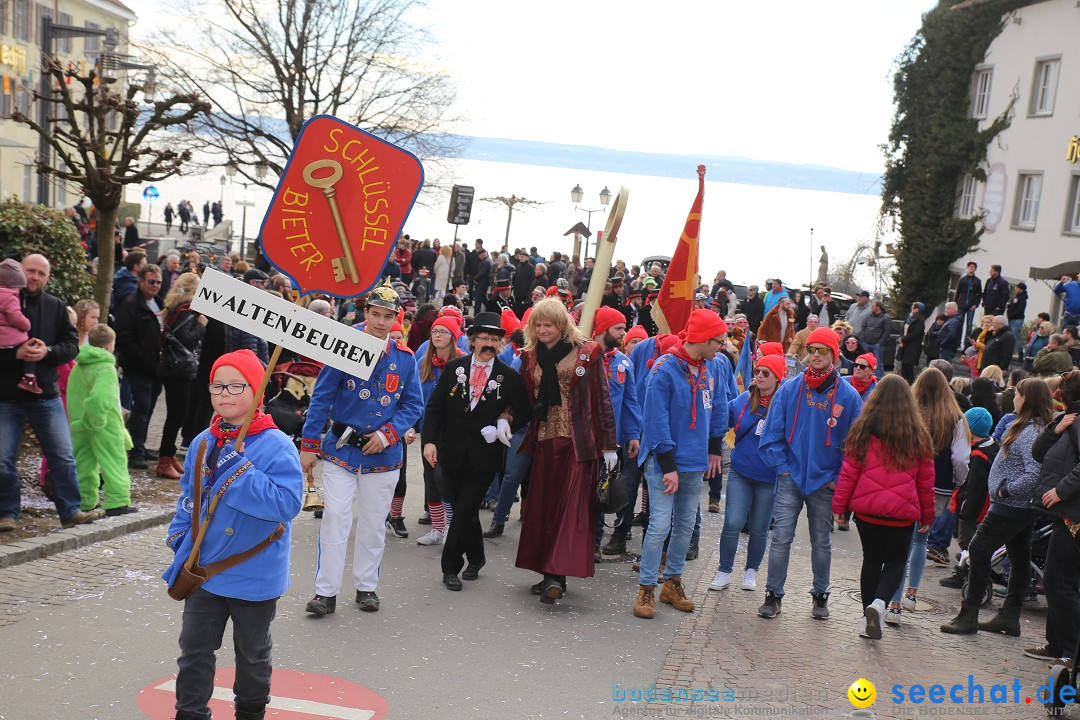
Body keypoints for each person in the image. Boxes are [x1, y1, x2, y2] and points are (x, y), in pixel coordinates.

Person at [163, 349, 302, 720]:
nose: (224, 394)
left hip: (254, 571)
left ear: (256, 390)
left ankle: (251, 712)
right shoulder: (203, 441)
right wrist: (180, 533)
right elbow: (189, 497)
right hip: (205, 568)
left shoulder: (277, 445)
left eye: (236, 385)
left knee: (252, 654)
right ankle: (189, 713)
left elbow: (287, 504)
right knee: (194, 650)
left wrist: (240, 471)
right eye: (217, 386)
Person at [301, 283, 424, 616]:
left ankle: (366, 587)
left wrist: (388, 434)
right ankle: (325, 592)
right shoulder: (344, 349)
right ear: (365, 314)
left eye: (388, 316)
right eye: (375, 314)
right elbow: (321, 398)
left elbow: (413, 404)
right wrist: (309, 444)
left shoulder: (404, 358)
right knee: (336, 518)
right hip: (341, 450)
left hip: (383, 456)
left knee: (372, 523)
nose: (381, 322)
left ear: (396, 318)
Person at [515, 297, 617, 604]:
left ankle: (555, 576)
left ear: (563, 325)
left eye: (550, 324)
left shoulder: (588, 352)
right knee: (543, 507)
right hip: (545, 440)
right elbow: (523, 399)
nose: (544, 330)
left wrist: (609, 446)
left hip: (578, 443)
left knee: (568, 508)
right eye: (538, 325)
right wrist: (505, 418)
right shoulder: (530, 357)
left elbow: (601, 399)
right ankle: (548, 571)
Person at [757, 326, 863, 620]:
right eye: (812, 349)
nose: (815, 355)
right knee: (780, 538)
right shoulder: (790, 389)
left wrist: (837, 480)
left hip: (824, 483)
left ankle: (820, 595)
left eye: (823, 350)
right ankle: (773, 594)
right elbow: (771, 436)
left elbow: (858, 447)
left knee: (821, 541)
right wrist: (783, 470)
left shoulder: (850, 397)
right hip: (791, 478)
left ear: (834, 355)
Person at [422, 312, 530, 591]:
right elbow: (434, 408)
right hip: (452, 453)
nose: (489, 343)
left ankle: (450, 567)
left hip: (485, 456)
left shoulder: (508, 376)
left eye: (495, 338)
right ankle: (478, 557)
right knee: (463, 509)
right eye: (483, 337)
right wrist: (430, 441)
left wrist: (505, 421)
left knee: (463, 511)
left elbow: (526, 410)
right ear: (471, 340)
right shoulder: (453, 368)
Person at [634, 310, 729, 619]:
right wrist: (668, 465)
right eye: (718, 340)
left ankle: (673, 582)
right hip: (666, 463)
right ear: (702, 338)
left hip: (694, 461)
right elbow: (656, 420)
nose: (722, 346)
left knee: (686, 525)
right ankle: (647, 586)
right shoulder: (663, 369)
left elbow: (718, 409)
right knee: (660, 525)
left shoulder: (712, 367)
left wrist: (715, 449)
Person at [941, 377, 1053, 635]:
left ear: (1028, 399)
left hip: (1012, 505)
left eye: (1018, 393)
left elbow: (1034, 472)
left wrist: (1007, 489)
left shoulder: (1031, 431)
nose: (1013, 397)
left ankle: (969, 615)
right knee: (1019, 556)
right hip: (1014, 505)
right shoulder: (1027, 426)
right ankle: (1010, 616)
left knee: (979, 550)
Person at [0, 254, 100, 533]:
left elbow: (71, 346)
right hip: (6, 396)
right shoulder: (1, 299)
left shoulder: (55, 306)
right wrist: (13, 354)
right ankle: (7, 512)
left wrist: (48, 352)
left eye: (41, 273)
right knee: (2, 460)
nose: (34, 277)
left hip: (46, 395)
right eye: (30, 271)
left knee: (63, 456)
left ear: (48, 276)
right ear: (20, 271)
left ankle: (71, 511)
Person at [832, 375, 935, 640]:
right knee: (896, 561)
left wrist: (840, 506)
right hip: (902, 513)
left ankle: (868, 614)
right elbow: (926, 481)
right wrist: (927, 514)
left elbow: (848, 473)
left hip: (867, 511)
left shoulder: (862, 430)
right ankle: (880, 603)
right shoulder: (918, 435)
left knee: (872, 559)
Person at [894, 368, 968, 625]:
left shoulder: (909, 413)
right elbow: (960, 458)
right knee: (920, 541)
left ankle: (894, 602)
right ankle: (911, 594)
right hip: (940, 485)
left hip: (907, 481)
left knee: (901, 542)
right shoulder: (955, 418)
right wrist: (958, 481)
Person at [709, 353, 786, 593]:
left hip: (768, 477)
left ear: (777, 378)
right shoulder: (743, 399)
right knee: (732, 523)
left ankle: (751, 571)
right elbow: (720, 418)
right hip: (741, 472)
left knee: (759, 528)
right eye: (758, 372)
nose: (760, 376)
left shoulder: (784, 404)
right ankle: (724, 571)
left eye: (766, 373)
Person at [1027, 369, 1080, 667]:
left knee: (1059, 581)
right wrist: (1054, 430)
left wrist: (1061, 490)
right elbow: (1039, 452)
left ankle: (1071, 651)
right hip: (1065, 513)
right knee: (1059, 580)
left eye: (1062, 389)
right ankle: (1057, 644)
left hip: (1073, 513)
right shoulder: (1067, 419)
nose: (1057, 394)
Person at [589, 307, 641, 558]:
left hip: (611, 444)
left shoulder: (624, 362)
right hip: (582, 440)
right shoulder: (583, 356)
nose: (624, 333)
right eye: (619, 328)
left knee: (601, 493)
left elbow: (631, 402)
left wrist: (633, 435)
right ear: (602, 329)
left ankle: (594, 545)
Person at [68, 324, 135, 515]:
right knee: (114, 462)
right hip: (104, 425)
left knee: (84, 464)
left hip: (79, 424)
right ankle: (117, 501)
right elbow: (100, 399)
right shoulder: (106, 367)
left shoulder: (78, 367)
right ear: (109, 345)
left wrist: (82, 422)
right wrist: (95, 421)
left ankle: (85, 500)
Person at [414, 316, 465, 545]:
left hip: (454, 433)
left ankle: (452, 525)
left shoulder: (464, 363)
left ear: (453, 337)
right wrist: (411, 427)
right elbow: (413, 397)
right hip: (429, 430)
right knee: (431, 480)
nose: (438, 336)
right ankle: (438, 528)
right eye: (435, 331)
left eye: (444, 332)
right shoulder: (424, 363)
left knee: (445, 478)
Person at [157, 273, 207, 480]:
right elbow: (186, 339)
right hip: (180, 369)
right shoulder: (188, 310)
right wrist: (201, 325)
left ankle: (168, 453)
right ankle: (165, 459)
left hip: (172, 368)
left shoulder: (173, 306)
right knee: (177, 415)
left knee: (176, 413)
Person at [115, 264, 165, 469]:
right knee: (141, 408)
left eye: (158, 282)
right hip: (139, 368)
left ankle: (141, 446)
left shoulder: (159, 303)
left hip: (156, 368)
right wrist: (141, 359)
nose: (155, 286)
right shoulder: (130, 304)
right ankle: (135, 450)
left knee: (149, 407)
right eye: (151, 281)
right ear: (141, 281)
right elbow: (124, 337)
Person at [0, 259, 40, 394]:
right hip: (9, 339)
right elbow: (14, 315)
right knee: (31, 348)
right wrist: (26, 324)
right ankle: (29, 378)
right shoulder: (10, 297)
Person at [861, 301, 891, 378]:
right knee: (865, 361)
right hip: (866, 342)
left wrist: (880, 342)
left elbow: (887, 331)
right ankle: (865, 377)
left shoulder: (886, 317)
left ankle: (879, 379)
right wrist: (863, 338)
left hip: (877, 344)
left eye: (873, 306)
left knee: (878, 363)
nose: (871, 307)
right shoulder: (869, 315)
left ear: (878, 307)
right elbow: (864, 326)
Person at [898, 302, 925, 383]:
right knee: (903, 366)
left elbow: (916, 333)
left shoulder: (920, 320)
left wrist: (903, 339)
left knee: (909, 367)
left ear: (918, 309)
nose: (912, 308)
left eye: (914, 307)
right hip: (904, 346)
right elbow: (903, 328)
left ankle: (909, 384)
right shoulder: (909, 317)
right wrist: (901, 337)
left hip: (912, 347)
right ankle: (903, 383)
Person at [955, 262, 983, 339]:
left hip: (971, 306)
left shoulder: (977, 281)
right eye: (970, 266)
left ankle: (966, 343)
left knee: (969, 325)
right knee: (959, 323)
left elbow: (980, 294)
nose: (971, 268)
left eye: (973, 267)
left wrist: (976, 305)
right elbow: (957, 292)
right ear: (967, 268)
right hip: (961, 305)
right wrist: (955, 304)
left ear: (975, 269)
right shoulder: (962, 280)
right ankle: (958, 342)